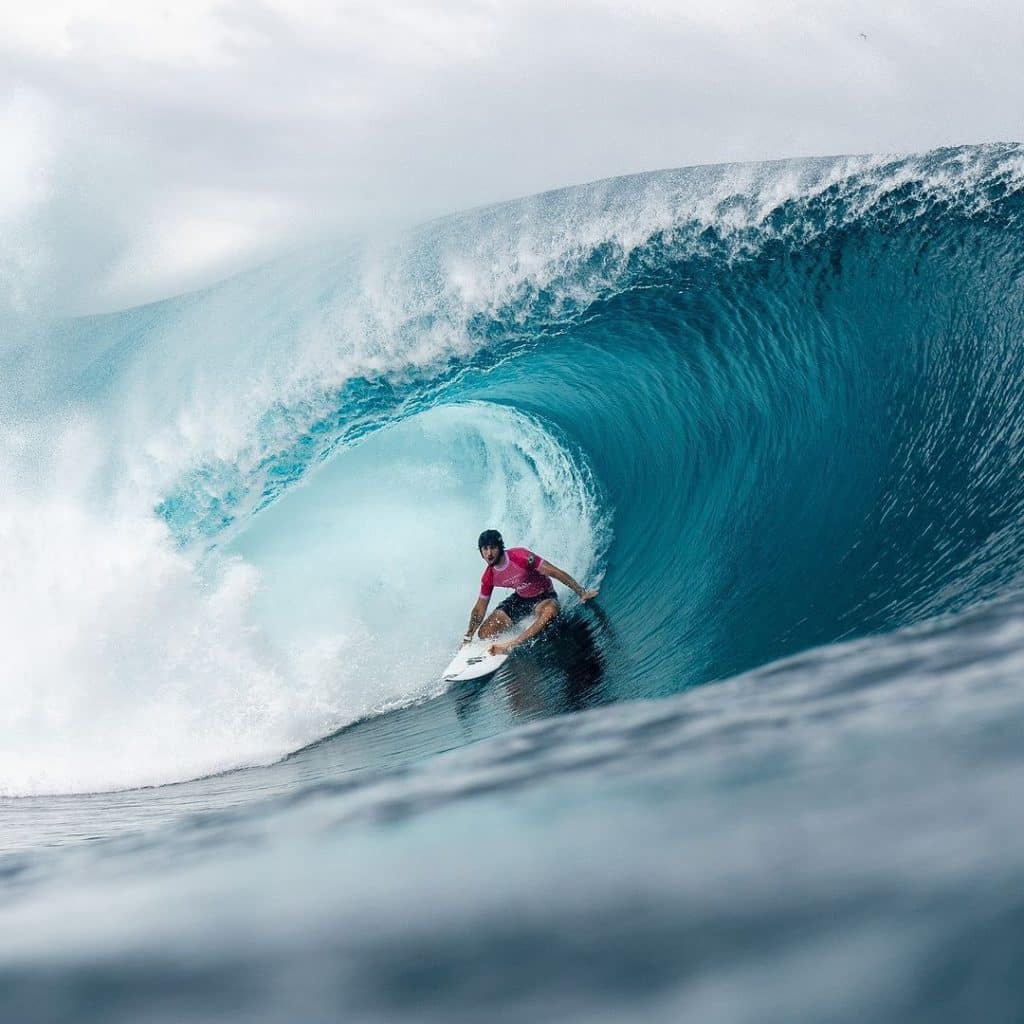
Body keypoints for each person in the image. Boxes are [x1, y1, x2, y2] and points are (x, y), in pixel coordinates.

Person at [463, 529, 598, 656]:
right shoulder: (488, 576)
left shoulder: (521, 556)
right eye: (485, 549)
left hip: (543, 596)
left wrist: (581, 593)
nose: (489, 553)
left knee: (550, 612)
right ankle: (514, 632)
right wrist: (468, 636)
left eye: (493, 547)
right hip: (520, 599)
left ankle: (511, 644)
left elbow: (555, 572)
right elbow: (479, 609)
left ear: (500, 547)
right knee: (484, 633)